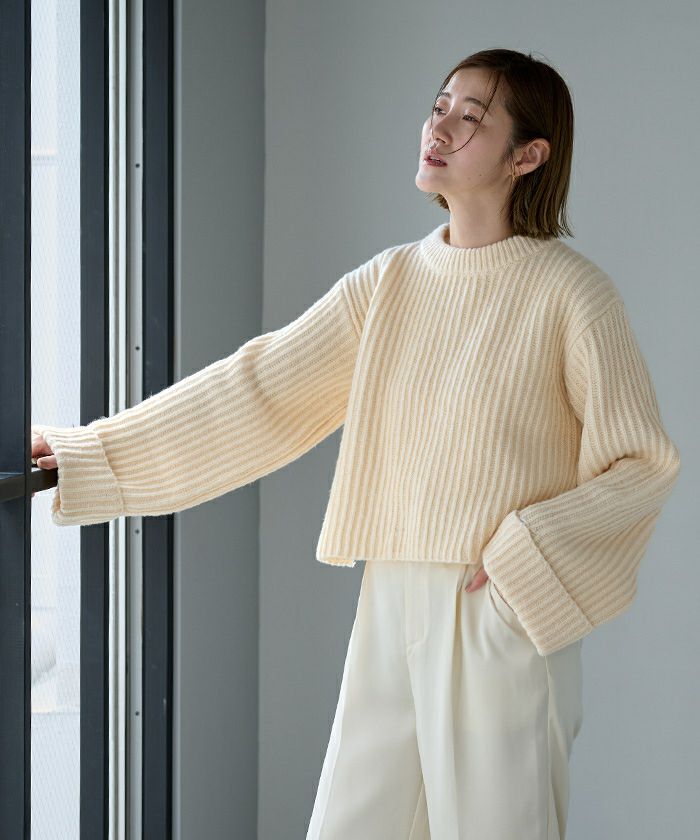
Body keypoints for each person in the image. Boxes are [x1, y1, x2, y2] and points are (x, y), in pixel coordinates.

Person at [33, 48, 681, 839]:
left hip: (495, 603)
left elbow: (642, 462)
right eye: (438, 106)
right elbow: (259, 391)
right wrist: (90, 454)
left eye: (471, 117)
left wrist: (528, 554)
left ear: (528, 156)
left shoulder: (571, 294)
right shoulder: (390, 284)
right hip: (390, 594)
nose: (439, 127)